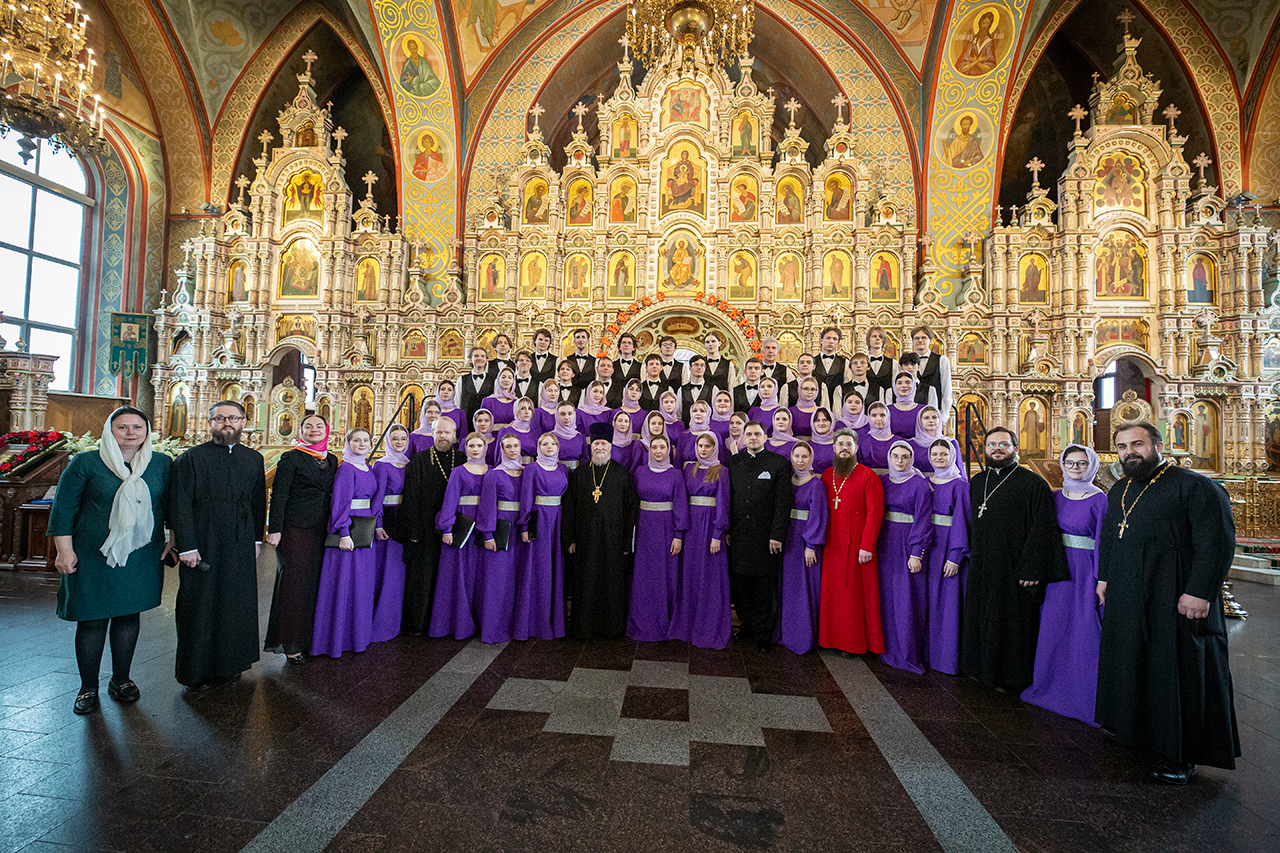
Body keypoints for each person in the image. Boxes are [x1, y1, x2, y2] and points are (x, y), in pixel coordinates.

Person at [1096, 423, 1239, 784]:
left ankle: (1181, 754)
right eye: (1122, 446)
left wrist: (1200, 591)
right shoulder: (1121, 489)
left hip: (1174, 595)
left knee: (1176, 671)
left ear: (1158, 446)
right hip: (1128, 595)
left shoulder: (1194, 486)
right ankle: (1135, 731)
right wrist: (1104, 577)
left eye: (1138, 444)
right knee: (1134, 661)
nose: (1130, 452)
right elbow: (1111, 537)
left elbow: (1216, 543)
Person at [51, 407, 172, 714]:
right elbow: (63, 509)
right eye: (123, 427)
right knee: (92, 619)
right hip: (92, 554)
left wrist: (175, 539)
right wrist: (64, 550)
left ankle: (121, 680)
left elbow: (171, 505)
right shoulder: (86, 462)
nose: (131, 432)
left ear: (147, 432)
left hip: (141, 553)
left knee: (128, 616)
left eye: (137, 427)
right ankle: (87, 688)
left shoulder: (160, 463)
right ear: (110, 430)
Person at [961, 427, 1068, 692]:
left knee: (1011, 622)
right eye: (991, 445)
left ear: (1015, 449)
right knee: (981, 615)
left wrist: (1032, 568)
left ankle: (1010, 678)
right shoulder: (978, 481)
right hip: (983, 564)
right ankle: (978, 668)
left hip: (1014, 567)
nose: (997, 449)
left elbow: (1042, 529)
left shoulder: (1033, 484)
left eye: (1003, 445)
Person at [169, 400, 266, 690]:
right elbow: (180, 504)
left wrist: (256, 538)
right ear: (210, 422)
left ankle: (230, 665)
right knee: (200, 602)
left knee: (235, 601)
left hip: (240, 537)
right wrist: (186, 545)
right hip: (203, 537)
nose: (227, 423)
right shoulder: (191, 458)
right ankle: (195, 671)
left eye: (233, 418)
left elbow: (258, 500)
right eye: (220, 418)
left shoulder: (253, 458)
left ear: (243, 422)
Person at [1022, 444, 1107, 725]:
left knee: (1085, 631)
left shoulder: (1099, 500)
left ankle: (1087, 699)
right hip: (1057, 570)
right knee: (1053, 628)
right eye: (1070, 463)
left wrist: (1101, 578)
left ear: (1091, 466)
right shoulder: (1054, 497)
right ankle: (1049, 689)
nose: (1075, 468)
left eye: (1082, 463)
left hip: (1085, 572)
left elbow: (1103, 542)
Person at [264, 414, 338, 665]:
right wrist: (274, 529)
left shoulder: (331, 459)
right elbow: (279, 495)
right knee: (294, 584)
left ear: (326, 430)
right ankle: (291, 642)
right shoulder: (292, 458)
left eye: (319, 426)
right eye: (309, 426)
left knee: (315, 583)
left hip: (322, 528)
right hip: (295, 528)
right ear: (301, 431)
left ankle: (310, 638)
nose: (314, 430)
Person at [564, 422, 639, 638]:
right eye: (596, 443)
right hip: (584, 538)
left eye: (604, 444)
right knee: (585, 582)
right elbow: (569, 508)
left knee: (611, 582)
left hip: (613, 539)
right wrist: (570, 539)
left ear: (610, 446)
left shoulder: (622, 474)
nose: (600, 447)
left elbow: (630, 510)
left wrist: (627, 543)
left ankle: (612, 628)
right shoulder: (579, 474)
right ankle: (584, 628)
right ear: (590, 446)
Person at [310, 429, 379, 657]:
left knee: (361, 584)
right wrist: (344, 532)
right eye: (356, 440)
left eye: (365, 440)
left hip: (365, 528)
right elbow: (340, 502)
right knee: (345, 584)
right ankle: (338, 638)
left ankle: (358, 635)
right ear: (348, 444)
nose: (362, 444)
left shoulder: (368, 468)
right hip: (349, 530)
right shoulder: (346, 469)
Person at [818, 428, 886, 655]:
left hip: (857, 545)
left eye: (849, 444)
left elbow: (875, 513)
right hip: (832, 545)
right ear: (834, 447)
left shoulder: (868, 476)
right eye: (841, 444)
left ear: (856, 448)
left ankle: (852, 644)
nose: (844, 448)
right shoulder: (827, 474)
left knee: (853, 596)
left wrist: (867, 546)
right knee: (833, 595)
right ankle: (830, 640)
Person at [727, 421, 793, 651]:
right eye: (749, 434)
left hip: (766, 537)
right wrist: (727, 530)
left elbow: (783, 503)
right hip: (739, 534)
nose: (753, 437)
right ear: (743, 438)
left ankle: (763, 632)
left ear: (765, 437)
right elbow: (729, 498)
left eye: (757, 434)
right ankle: (746, 624)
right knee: (741, 585)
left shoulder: (778, 463)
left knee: (764, 587)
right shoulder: (733, 462)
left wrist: (777, 534)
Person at [401, 416, 465, 634]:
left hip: (453, 526)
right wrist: (414, 529)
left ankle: (446, 623)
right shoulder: (420, 459)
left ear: (454, 435)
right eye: (439, 432)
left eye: (447, 432)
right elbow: (411, 496)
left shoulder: (462, 458)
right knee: (424, 577)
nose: (443, 436)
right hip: (425, 527)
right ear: (432, 433)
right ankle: (419, 624)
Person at [669, 432, 731, 649]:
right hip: (691, 527)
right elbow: (681, 499)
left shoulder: (721, 470)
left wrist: (717, 534)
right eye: (700, 446)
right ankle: (687, 626)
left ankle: (709, 627)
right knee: (690, 574)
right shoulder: (689, 469)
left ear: (715, 448)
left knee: (709, 576)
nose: (703, 449)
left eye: (707, 446)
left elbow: (723, 503)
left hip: (710, 527)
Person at [877, 441, 933, 673]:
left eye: (905, 457)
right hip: (884, 543)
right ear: (889, 458)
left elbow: (923, 519)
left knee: (906, 599)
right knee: (885, 597)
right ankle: (883, 648)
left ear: (912, 459)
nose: (900, 461)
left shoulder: (920, 484)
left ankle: (906, 652)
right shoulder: (883, 481)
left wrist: (916, 552)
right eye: (896, 456)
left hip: (907, 544)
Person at [627, 434, 688, 642]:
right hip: (644, 529)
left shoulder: (676, 474)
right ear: (649, 450)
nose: (658, 451)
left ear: (669, 450)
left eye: (662, 447)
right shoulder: (640, 472)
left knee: (665, 576)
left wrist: (678, 535)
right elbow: (633, 502)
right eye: (654, 447)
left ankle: (664, 621)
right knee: (643, 576)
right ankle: (641, 621)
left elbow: (680, 504)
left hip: (666, 530)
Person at [429, 432, 489, 639]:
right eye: (471, 446)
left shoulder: (491, 471)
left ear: (485, 448)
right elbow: (450, 500)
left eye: (479, 445)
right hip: (462, 526)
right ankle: (458, 623)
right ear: (466, 448)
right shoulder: (458, 472)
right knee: (459, 574)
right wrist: (447, 528)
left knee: (480, 576)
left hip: (482, 525)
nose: (475, 449)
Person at [515, 433, 569, 640]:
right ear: (538, 447)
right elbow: (526, 498)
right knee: (539, 569)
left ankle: (555, 621)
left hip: (558, 520)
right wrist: (524, 526)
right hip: (539, 520)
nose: (549, 446)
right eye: (544, 443)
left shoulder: (563, 468)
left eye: (553, 443)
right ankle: (535, 622)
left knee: (556, 569)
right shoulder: (531, 469)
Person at [777, 442, 828, 655]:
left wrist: (811, 545)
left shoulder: (816, 484)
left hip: (805, 541)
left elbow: (818, 516)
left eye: (804, 456)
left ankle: (803, 635)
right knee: (786, 586)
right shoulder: (786, 481)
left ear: (811, 458)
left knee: (804, 588)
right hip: (788, 537)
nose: (800, 460)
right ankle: (785, 632)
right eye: (796, 456)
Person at [924, 439, 969, 675]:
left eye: (943, 454)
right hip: (928, 545)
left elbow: (962, 521)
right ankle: (926, 653)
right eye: (935, 454)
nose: (939, 458)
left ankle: (945, 658)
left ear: (952, 456)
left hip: (948, 546)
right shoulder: (925, 482)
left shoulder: (959, 485)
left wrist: (954, 556)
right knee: (928, 601)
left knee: (946, 604)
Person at [475, 434, 525, 644]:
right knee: (499, 580)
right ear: (501, 450)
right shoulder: (494, 475)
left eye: (516, 446)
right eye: (508, 446)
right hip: (501, 529)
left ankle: (518, 625)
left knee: (519, 579)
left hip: (521, 529)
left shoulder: (525, 472)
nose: (512, 450)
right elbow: (487, 506)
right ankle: (494, 628)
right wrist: (488, 534)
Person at [371, 425, 410, 643]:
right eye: (395, 438)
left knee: (399, 572)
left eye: (403, 438)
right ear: (388, 440)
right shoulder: (381, 464)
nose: (399, 442)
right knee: (385, 570)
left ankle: (398, 619)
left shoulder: (410, 464)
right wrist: (377, 524)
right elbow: (377, 497)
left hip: (404, 521)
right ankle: (382, 620)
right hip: (386, 521)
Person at [912, 407, 964, 479]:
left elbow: (959, 468)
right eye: (926, 418)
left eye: (934, 417)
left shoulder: (951, 443)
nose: (931, 421)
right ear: (920, 421)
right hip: (919, 483)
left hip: (945, 482)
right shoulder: (912, 444)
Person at [459, 347, 495, 428]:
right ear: (470, 360)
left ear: (486, 360)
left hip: (486, 425)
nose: (479, 358)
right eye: (476, 356)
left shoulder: (494, 380)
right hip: (466, 423)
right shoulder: (461, 380)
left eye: (482, 356)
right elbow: (457, 403)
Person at [497, 397, 538, 463]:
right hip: (511, 468)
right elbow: (498, 457)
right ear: (516, 411)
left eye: (530, 409)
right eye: (522, 408)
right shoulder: (506, 431)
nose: (527, 412)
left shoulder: (535, 432)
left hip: (531, 467)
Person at [859, 402, 895, 472]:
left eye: (882, 415)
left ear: (888, 417)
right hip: (868, 477)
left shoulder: (898, 441)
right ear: (869, 418)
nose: (878, 419)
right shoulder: (862, 441)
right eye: (874, 415)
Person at [888, 372, 925, 438]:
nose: (904, 386)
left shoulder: (923, 410)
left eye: (908, 382)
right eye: (899, 383)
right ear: (894, 386)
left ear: (914, 385)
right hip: (893, 444)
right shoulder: (887, 410)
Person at [552, 401, 587, 470]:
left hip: (577, 473)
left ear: (574, 415)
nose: (566, 417)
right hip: (556, 472)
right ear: (557, 415)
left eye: (570, 414)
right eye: (563, 414)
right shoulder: (551, 437)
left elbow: (585, 460)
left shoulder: (580, 437)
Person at [808, 407, 836, 474]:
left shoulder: (839, 445)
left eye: (825, 420)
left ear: (831, 422)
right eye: (817, 420)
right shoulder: (806, 446)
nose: (821, 423)